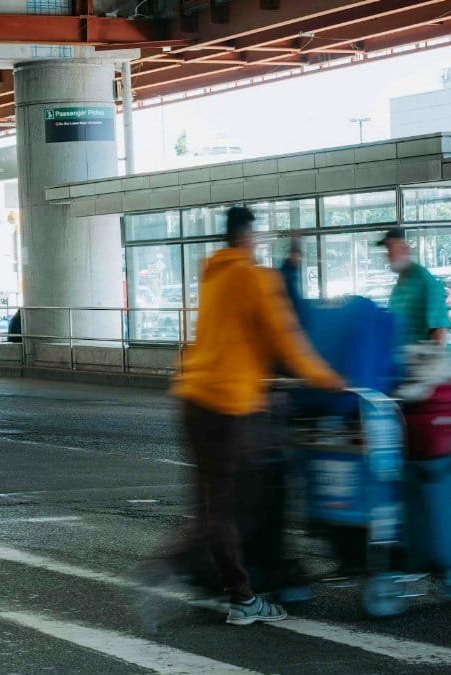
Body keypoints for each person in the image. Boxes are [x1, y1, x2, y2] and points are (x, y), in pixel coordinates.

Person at [162, 206, 345, 626]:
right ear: (248, 238)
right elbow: (287, 340)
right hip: (227, 407)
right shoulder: (253, 278)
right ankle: (240, 597)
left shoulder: (213, 275)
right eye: (255, 238)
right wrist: (330, 379)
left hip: (191, 399)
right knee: (227, 506)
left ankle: (191, 566)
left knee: (210, 504)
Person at [379, 227, 449, 347]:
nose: (388, 255)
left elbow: (439, 330)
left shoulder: (424, 280)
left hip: (421, 362)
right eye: (387, 249)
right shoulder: (401, 283)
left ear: (404, 248)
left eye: (391, 248)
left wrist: (432, 362)